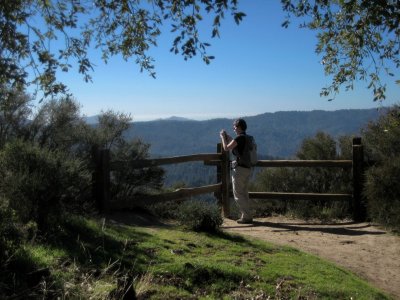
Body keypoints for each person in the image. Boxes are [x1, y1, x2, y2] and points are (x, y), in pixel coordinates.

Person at [219, 118, 253, 224]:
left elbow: (226, 148)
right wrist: (228, 137)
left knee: (238, 194)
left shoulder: (239, 138)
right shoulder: (247, 137)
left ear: (239, 127)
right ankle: (246, 215)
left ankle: (247, 217)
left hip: (240, 169)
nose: (233, 128)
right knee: (244, 193)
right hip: (248, 168)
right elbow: (235, 142)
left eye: (234, 126)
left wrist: (222, 138)